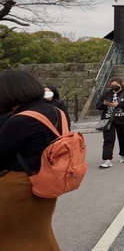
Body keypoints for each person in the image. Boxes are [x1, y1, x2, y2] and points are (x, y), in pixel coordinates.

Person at [0, 70, 66, 249]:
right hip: (45, 182)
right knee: (38, 234)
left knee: (11, 239)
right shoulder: (56, 112)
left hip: (17, 186)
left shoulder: (20, 120)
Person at [96, 77, 124, 168]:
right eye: (112, 85)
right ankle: (107, 159)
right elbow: (98, 105)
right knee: (108, 139)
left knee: (123, 138)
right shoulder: (106, 94)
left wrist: (118, 104)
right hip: (108, 120)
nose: (114, 86)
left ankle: (123, 154)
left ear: (121, 84)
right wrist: (105, 104)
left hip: (123, 120)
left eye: (116, 85)